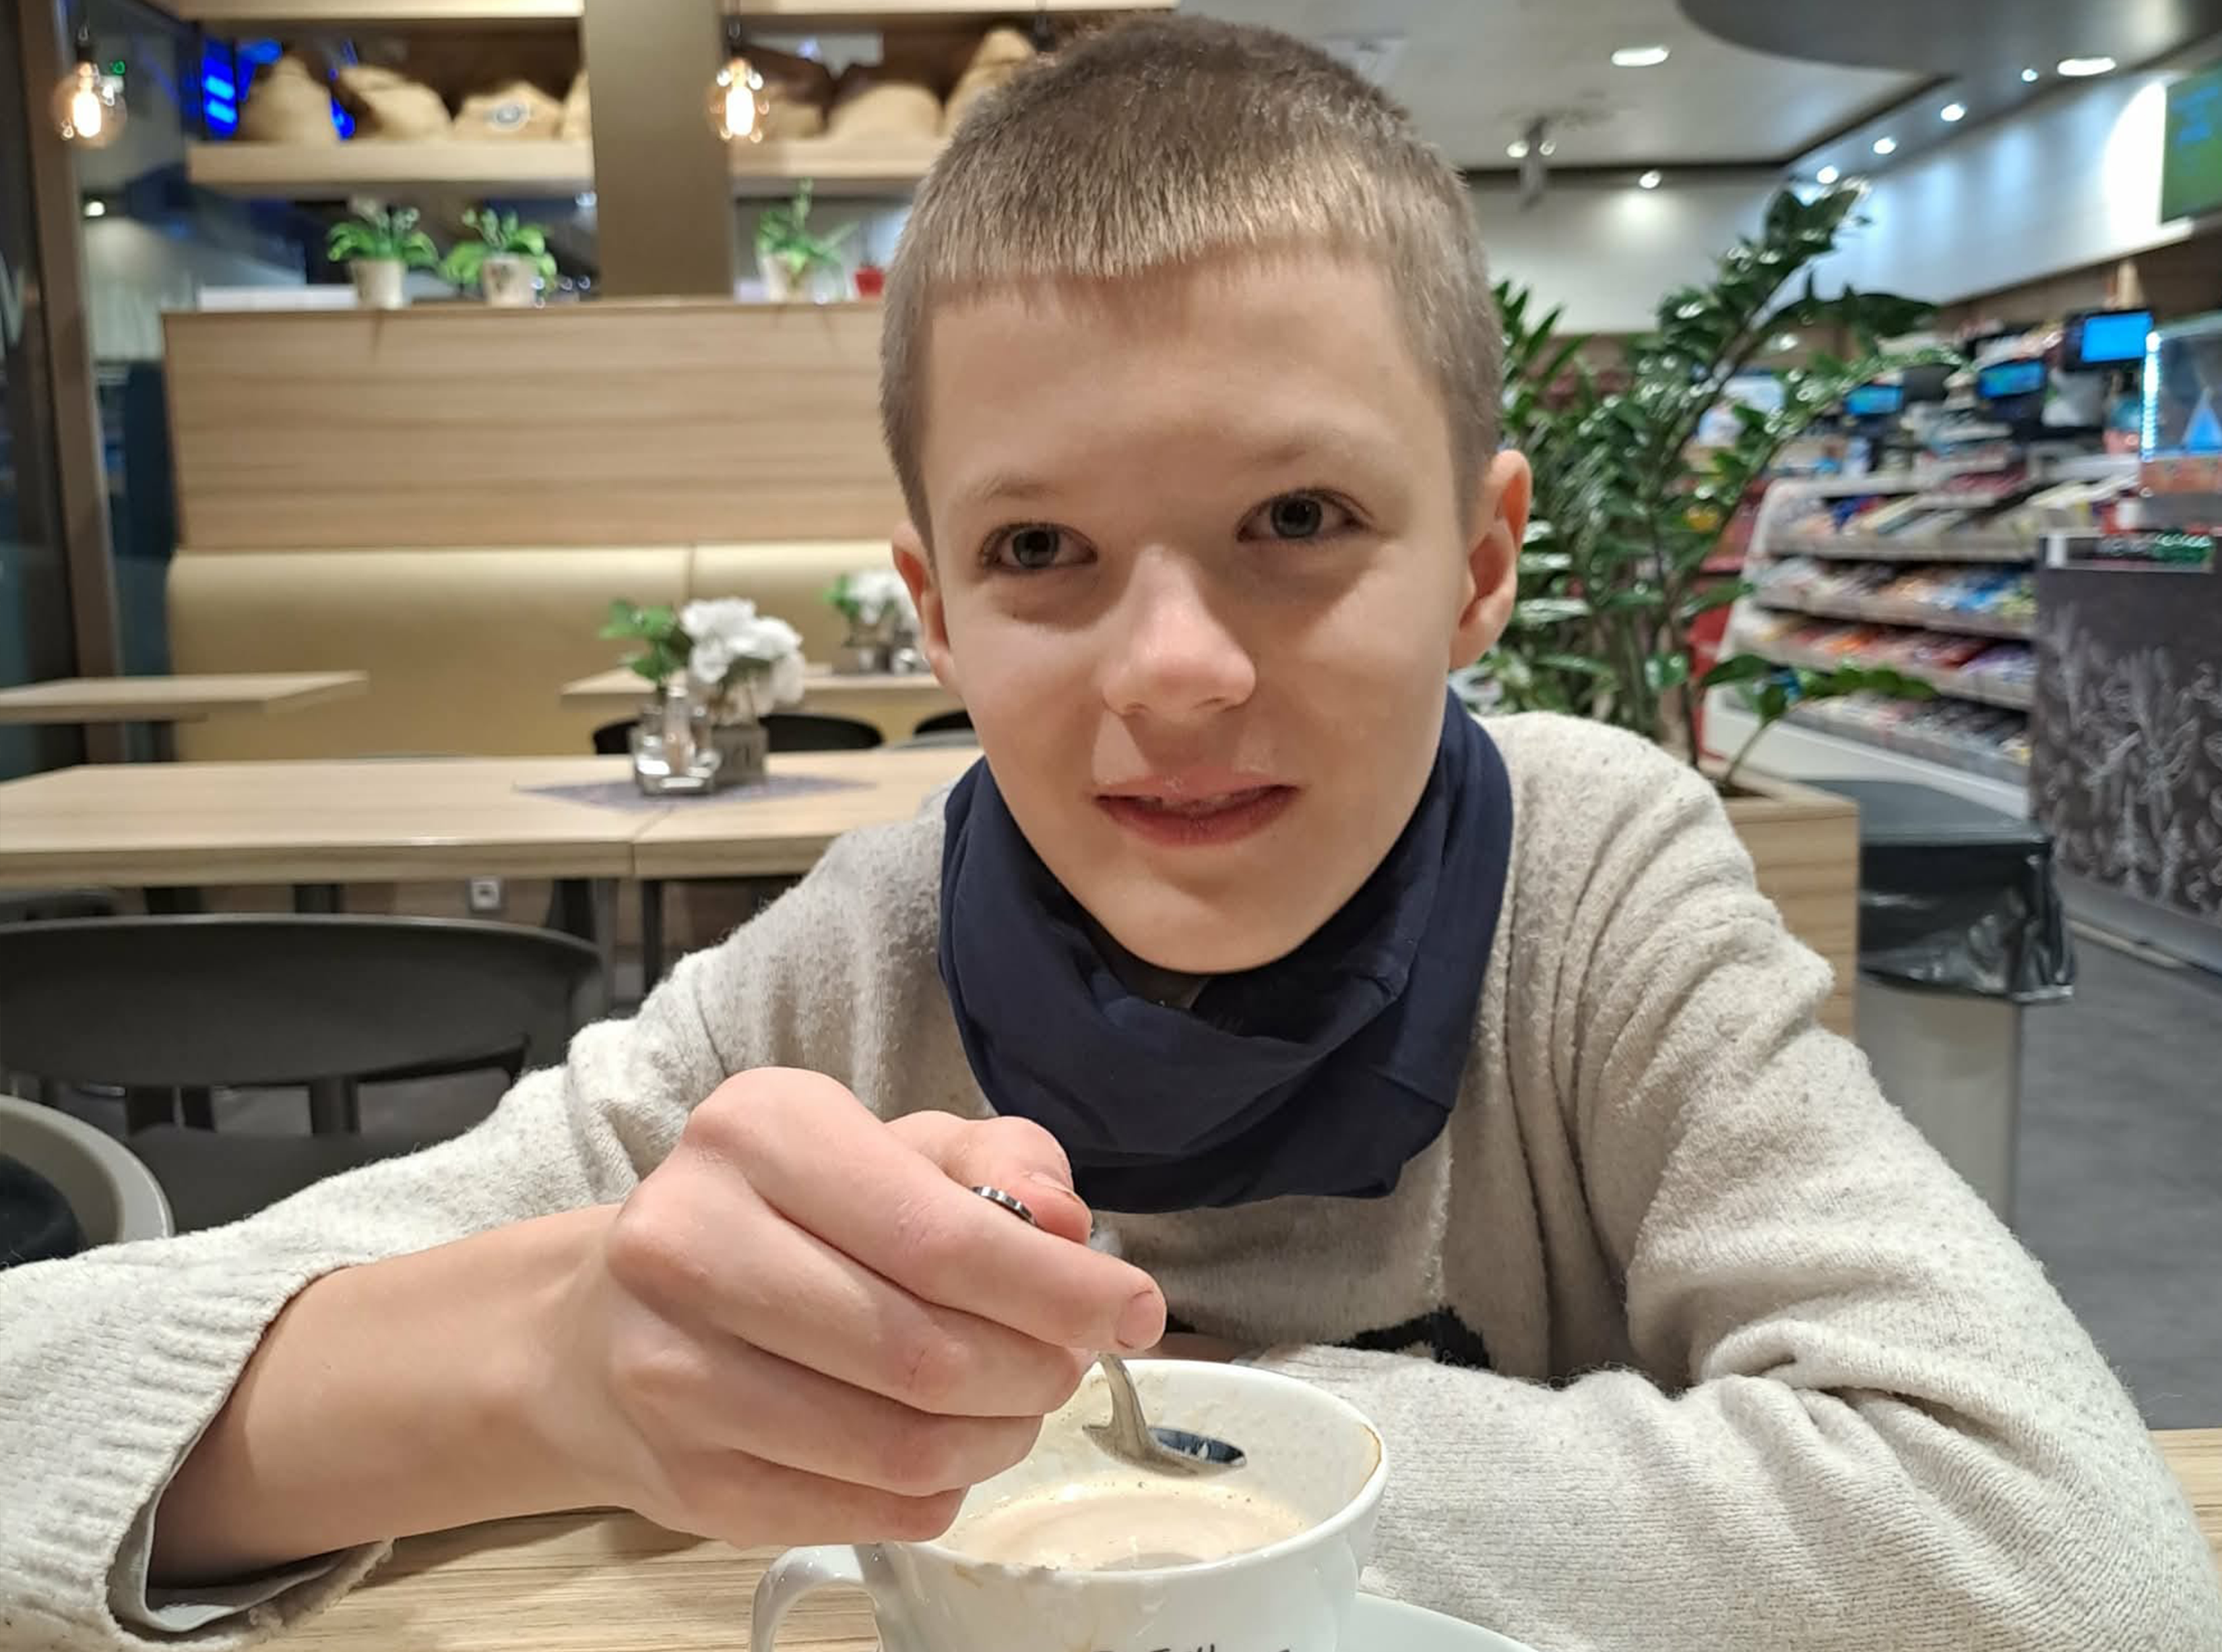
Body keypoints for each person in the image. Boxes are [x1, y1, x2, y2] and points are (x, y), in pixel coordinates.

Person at [5, 19, 2219, 1652]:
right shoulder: (850, 974)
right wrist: (546, 1362)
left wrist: (1128, 1425)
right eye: (1042, 549)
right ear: (936, 607)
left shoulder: (1593, 889)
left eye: (1298, 519)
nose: (1172, 671)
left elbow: (2065, 1557)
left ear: (1479, 564)